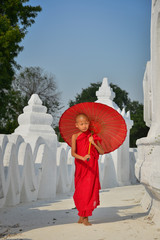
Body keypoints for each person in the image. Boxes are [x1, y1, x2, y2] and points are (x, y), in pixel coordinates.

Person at [71, 113, 104, 226]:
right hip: (81, 166)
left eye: (86, 123)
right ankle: (81, 214)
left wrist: (93, 142)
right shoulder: (75, 136)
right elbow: (73, 153)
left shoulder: (92, 135)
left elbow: (101, 152)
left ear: (89, 123)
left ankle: (86, 217)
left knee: (88, 190)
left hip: (91, 167)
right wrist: (83, 158)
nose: (84, 126)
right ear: (77, 125)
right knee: (80, 191)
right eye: (81, 124)